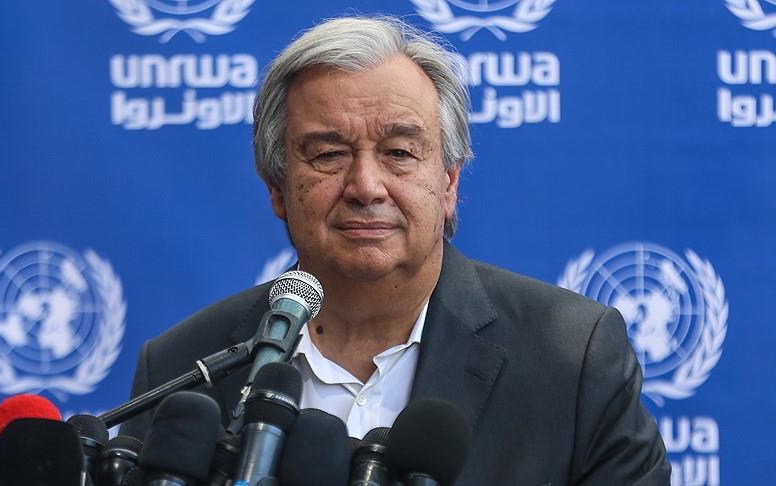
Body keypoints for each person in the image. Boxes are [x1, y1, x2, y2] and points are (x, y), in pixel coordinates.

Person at [120, 16, 670, 484]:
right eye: (329, 154)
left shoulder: (571, 359)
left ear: (449, 182)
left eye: (400, 152)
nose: (366, 186)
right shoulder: (181, 368)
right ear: (277, 188)